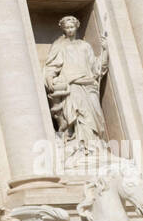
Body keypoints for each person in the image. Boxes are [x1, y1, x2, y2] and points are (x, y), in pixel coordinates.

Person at [43, 15, 108, 151]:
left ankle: (94, 145)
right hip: (72, 86)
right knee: (78, 115)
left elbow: (95, 67)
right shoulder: (60, 46)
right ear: (63, 29)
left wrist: (105, 51)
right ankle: (81, 146)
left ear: (77, 27)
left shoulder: (85, 46)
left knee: (95, 117)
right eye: (67, 28)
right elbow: (52, 66)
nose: (70, 30)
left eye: (72, 27)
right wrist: (50, 78)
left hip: (88, 85)